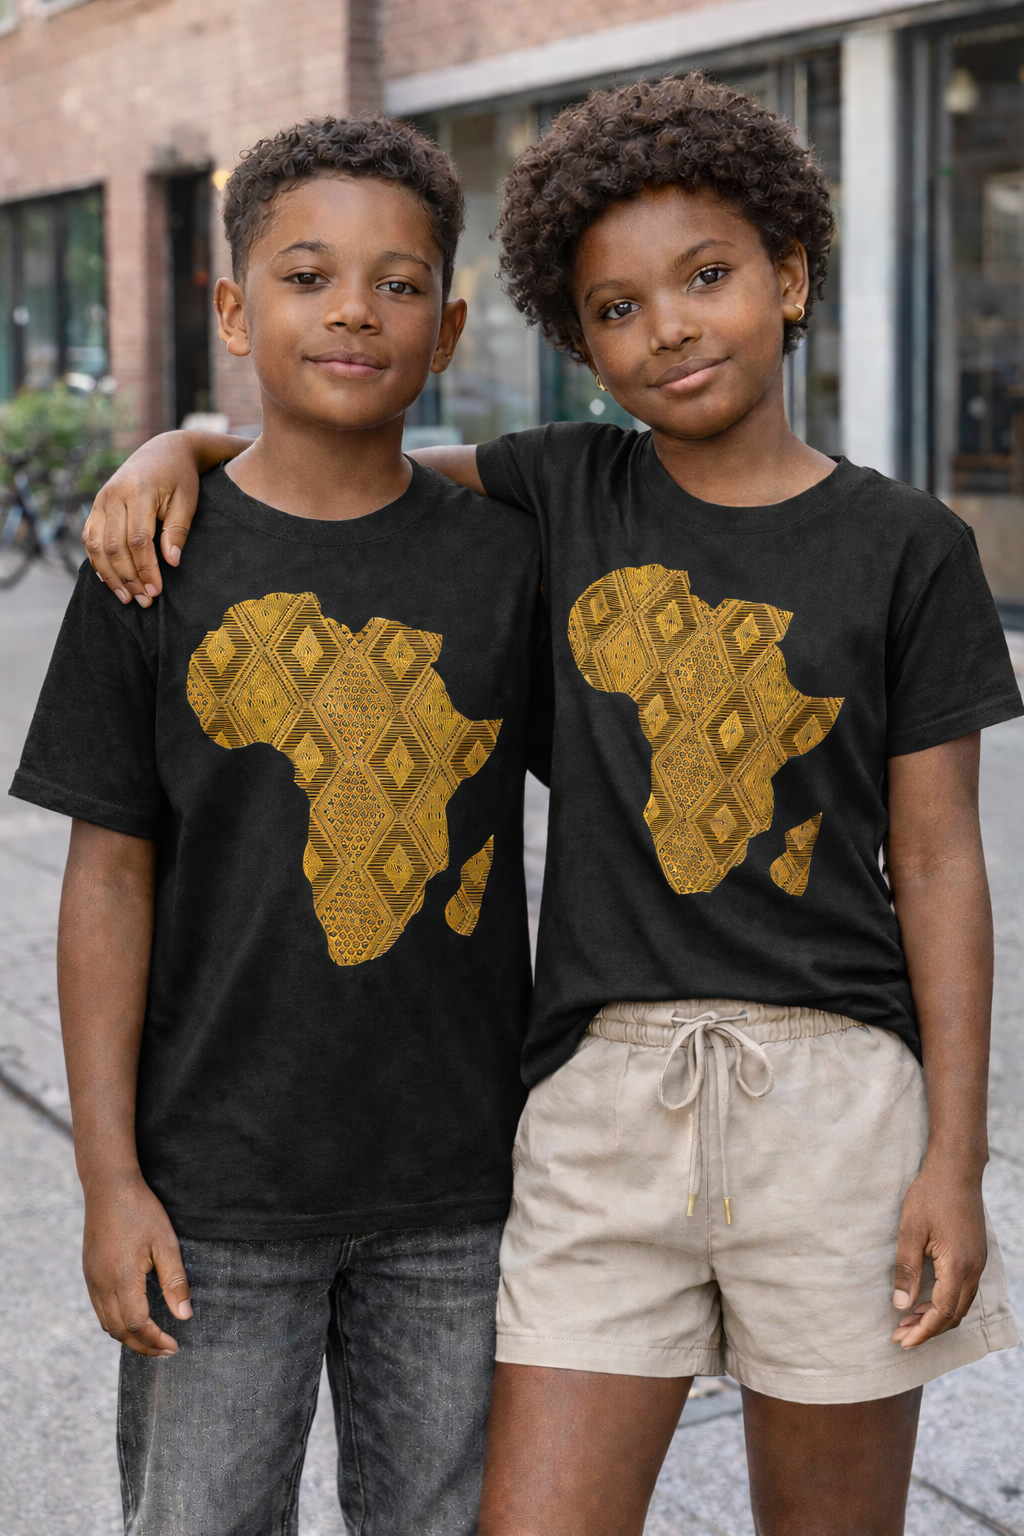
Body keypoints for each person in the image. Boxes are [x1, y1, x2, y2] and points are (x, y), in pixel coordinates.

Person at [82, 75, 1022, 1536]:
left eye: (707, 278)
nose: (670, 328)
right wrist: (183, 444)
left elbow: (945, 861)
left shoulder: (912, 548)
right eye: (617, 309)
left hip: (835, 1103)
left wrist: (957, 1158)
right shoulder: (570, 490)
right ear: (577, 343)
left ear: (789, 274)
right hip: (594, 1107)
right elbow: (341, 466)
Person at [11, 114, 550, 1536]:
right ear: (237, 312)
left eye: (397, 282)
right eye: (309, 277)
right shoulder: (153, 565)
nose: (354, 310)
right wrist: (109, 1178)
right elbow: (107, 885)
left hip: (461, 1187)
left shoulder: (506, 563)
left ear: (445, 329)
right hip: (215, 1199)